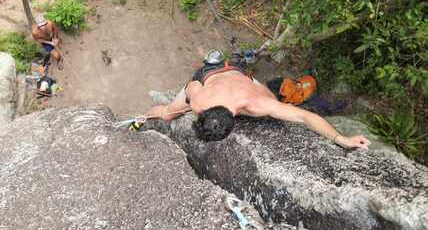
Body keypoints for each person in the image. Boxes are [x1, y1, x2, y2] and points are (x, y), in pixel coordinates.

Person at [145, 50, 371, 149]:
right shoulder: (198, 101)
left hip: (240, 77)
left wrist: (342, 139)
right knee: (167, 115)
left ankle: (149, 115)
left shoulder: (260, 105)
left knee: (273, 99)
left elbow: (305, 117)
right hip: (213, 75)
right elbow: (192, 85)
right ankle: (146, 116)